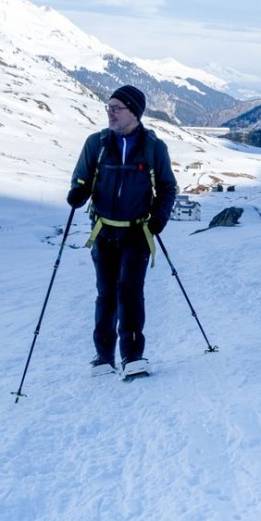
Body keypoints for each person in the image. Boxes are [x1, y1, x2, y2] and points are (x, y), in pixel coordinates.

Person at [66, 85, 177, 379]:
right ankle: (103, 357)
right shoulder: (97, 143)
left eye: (117, 108)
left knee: (129, 291)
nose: (110, 113)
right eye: (108, 107)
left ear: (134, 113)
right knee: (106, 294)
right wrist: (77, 193)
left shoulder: (154, 147)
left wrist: (159, 219)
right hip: (103, 230)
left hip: (137, 232)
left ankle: (132, 356)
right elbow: (82, 178)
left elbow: (167, 187)